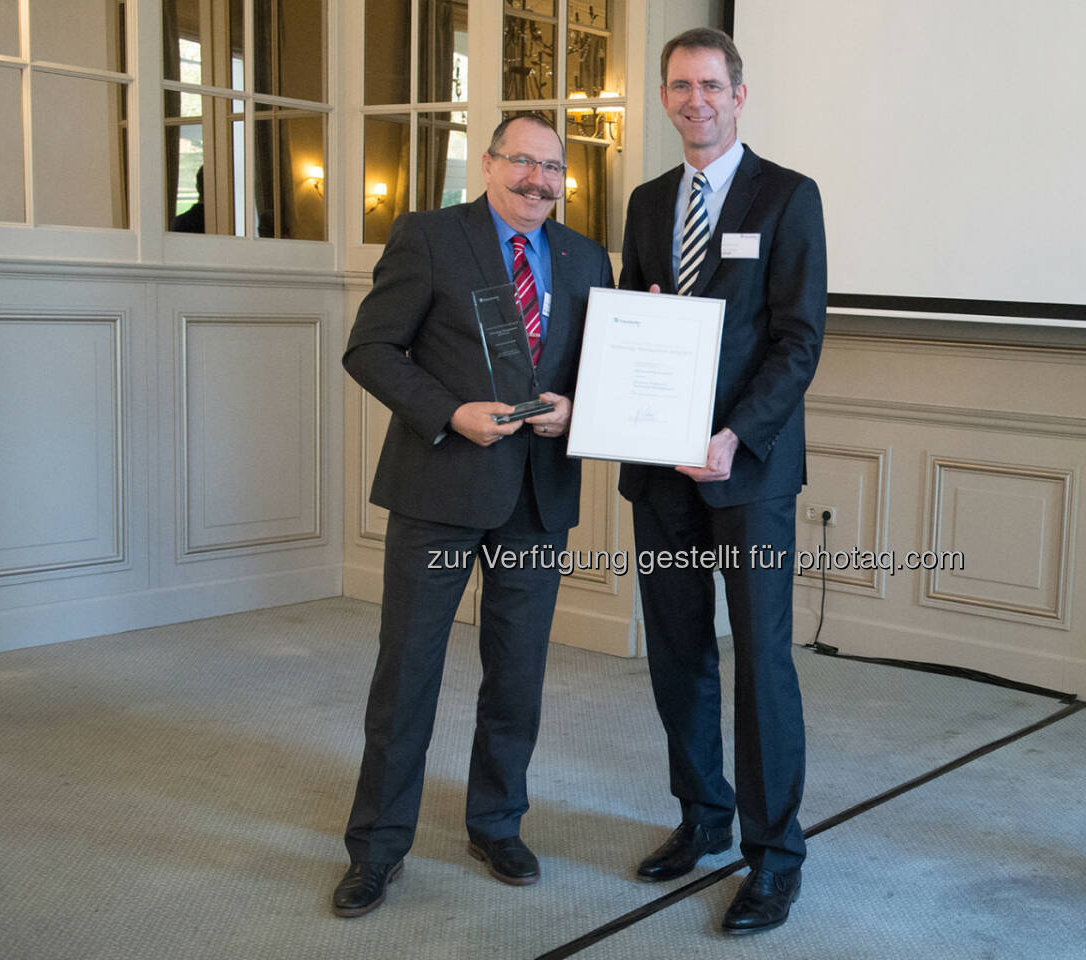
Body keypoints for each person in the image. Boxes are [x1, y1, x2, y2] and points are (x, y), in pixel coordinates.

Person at [332, 115, 612, 917]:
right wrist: (449, 411)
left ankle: (496, 823)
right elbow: (370, 349)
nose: (538, 180)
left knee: (517, 673)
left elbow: (603, 369)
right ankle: (378, 848)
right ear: (488, 164)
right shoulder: (428, 237)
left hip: (536, 499)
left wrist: (579, 410)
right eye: (522, 161)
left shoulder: (586, 256)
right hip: (440, 489)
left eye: (553, 168)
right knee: (408, 672)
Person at [617, 27, 827, 935]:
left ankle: (775, 856)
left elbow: (798, 339)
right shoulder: (647, 199)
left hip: (747, 472)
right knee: (677, 654)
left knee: (761, 663)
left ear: (739, 94)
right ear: (665, 98)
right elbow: (631, 321)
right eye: (679, 86)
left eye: (710, 84)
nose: (694, 100)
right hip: (661, 473)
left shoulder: (789, 196)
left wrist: (735, 435)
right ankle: (703, 816)